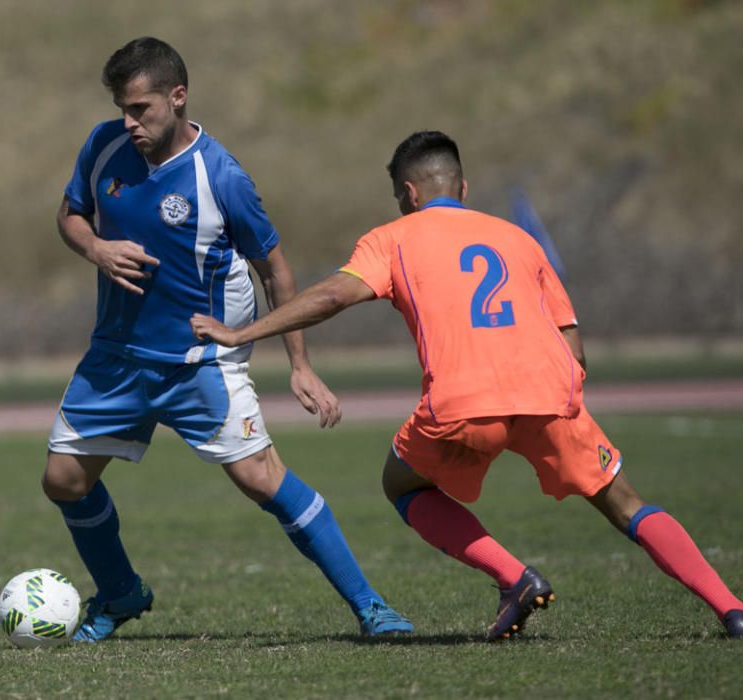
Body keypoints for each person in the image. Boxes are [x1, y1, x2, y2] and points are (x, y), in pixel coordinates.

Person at [191, 130, 743, 641]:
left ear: (408, 194)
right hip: (550, 393)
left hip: (465, 402)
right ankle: (731, 608)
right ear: (463, 187)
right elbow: (571, 338)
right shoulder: (519, 239)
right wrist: (567, 398)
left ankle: (514, 576)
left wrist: (246, 330)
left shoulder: (392, 238)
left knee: (401, 486)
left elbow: (333, 296)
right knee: (626, 503)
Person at [41, 37, 412, 642]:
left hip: (198, 362)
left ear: (178, 96)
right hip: (115, 357)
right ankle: (121, 592)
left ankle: (372, 607)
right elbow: (69, 214)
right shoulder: (103, 145)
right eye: (123, 109)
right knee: (63, 481)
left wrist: (299, 364)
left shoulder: (222, 177)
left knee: (262, 479)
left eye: (141, 109)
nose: (130, 122)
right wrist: (96, 248)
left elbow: (276, 270)